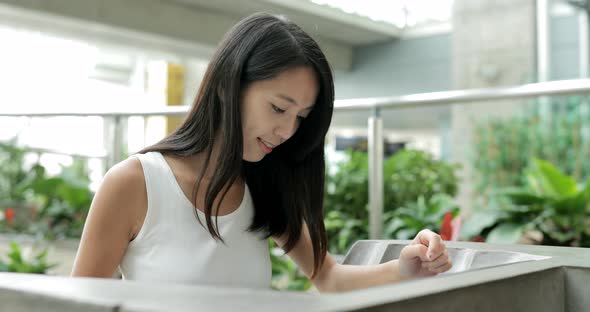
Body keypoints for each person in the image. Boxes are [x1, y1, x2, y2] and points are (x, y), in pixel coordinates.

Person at [71, 12, 452, 292]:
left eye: (301, 117)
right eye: (278, 108)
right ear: (228, 87)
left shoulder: (264, 182)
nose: (287, 131)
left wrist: (406, 268)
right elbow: (78, 305)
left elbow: (329, 278)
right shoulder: (134, 184)